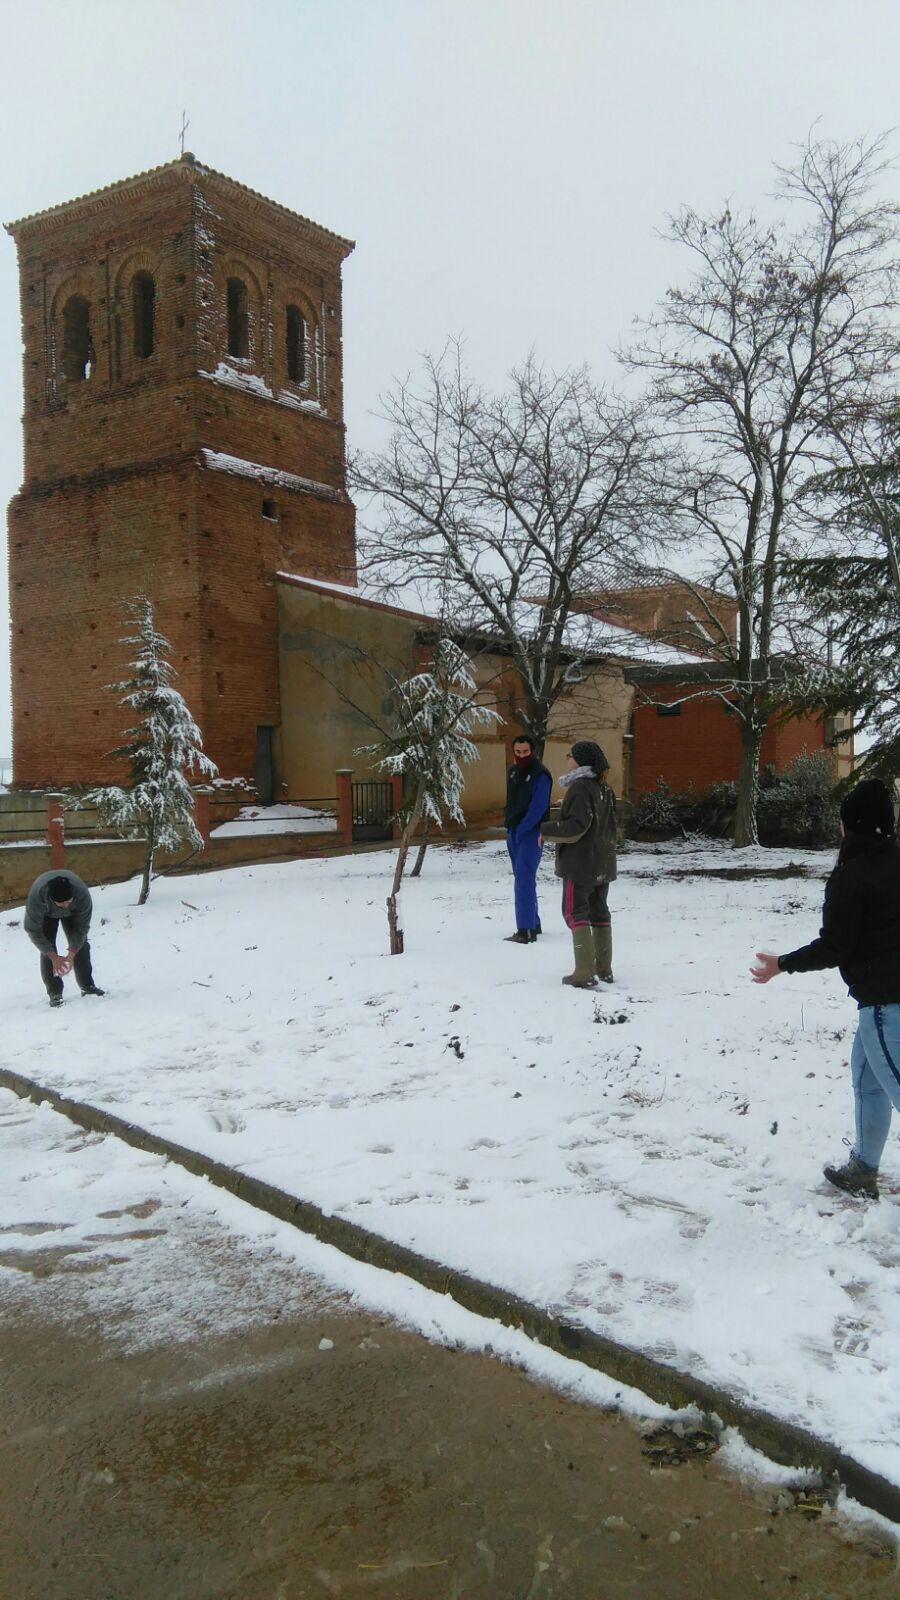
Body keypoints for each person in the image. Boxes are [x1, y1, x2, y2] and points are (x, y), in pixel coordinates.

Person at [751, 777, 900, 1200]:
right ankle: (864, 1169)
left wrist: (783, 964)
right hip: (881, 1003)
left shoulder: (851, 877)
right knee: (869, 1082)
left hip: (886, 1006)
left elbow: (836, 946)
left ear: (850, 826)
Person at [542, 740, 618, 987]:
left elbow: (576, 827)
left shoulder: (580, 788)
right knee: (599, 911)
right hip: (603, 863)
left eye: (570, 755)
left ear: (580, 760)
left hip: (580, 864)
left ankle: (584, 972)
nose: (567, 758)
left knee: (574, 912)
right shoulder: (604, 789)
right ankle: (603, 969)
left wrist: (546, 830)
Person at [24, 869, 105, 1008]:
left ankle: (87, 986)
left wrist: (72, 952)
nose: (65, 905)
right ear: (51, 899)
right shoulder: (38, 897)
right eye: (61, 904)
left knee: (81, 945)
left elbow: (82, 927)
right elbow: (33, 930)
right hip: (46, 914)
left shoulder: (81, 894)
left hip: (74, 913)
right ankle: (55, 993)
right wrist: (53, 957)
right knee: (47, 948)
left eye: (68, 901)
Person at [504, 734, 553, 944]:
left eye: (525, 752)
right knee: (521, 877)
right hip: (513, 831)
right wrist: (511, 826)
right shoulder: (513, 772)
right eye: (518, 752)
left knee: (524, 878)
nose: (521, 755)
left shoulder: (541, 774)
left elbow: (539, 806)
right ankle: (534, 921)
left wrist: (524, 828)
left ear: (532, 751)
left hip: (532, 832)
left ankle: (526, 930)